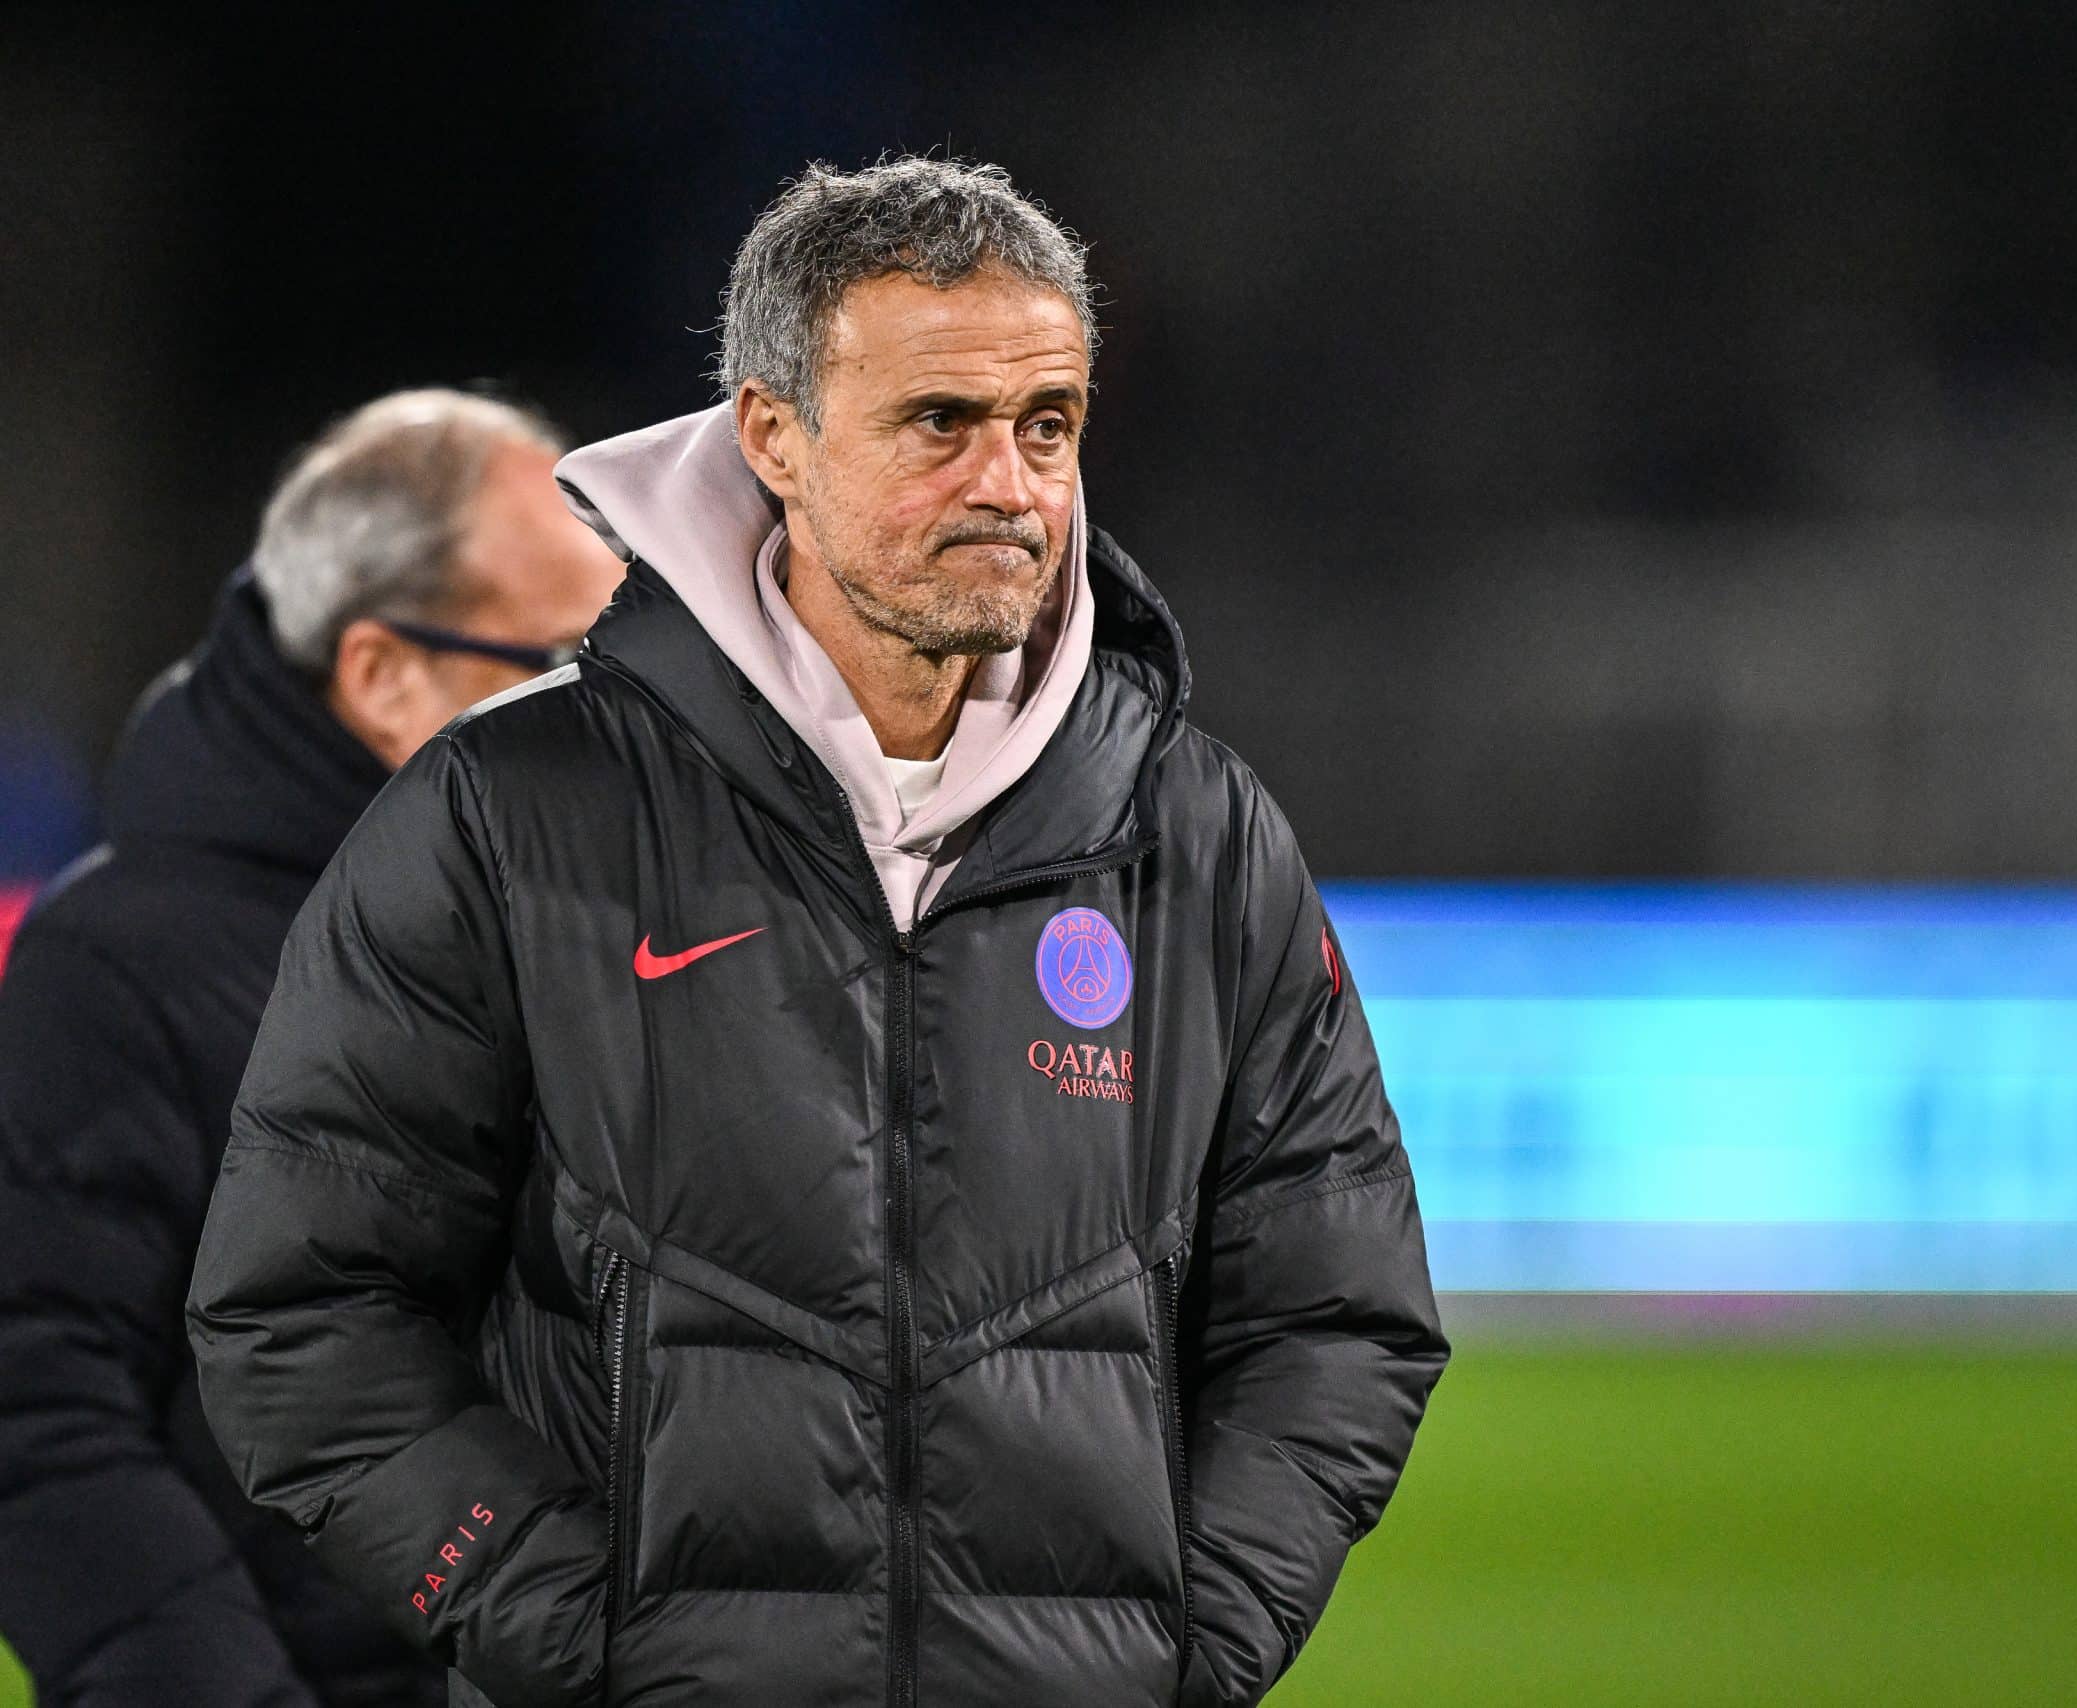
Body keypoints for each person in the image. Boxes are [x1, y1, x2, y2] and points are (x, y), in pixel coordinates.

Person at [186, 158, 1446, 1707]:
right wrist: (578, 1641)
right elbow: (298, 1308)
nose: (1010, 483)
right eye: (941, 425)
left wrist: (1196, 1649)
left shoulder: (1196, 831)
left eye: (1046, 425)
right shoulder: (505, 818)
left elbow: (1339, 1312)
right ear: (771, 436)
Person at [0, 389, 628, 1706]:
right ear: (383, 675)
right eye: (572, 671)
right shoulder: (121, 972)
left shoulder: (602, 955)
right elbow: (36, 1419)